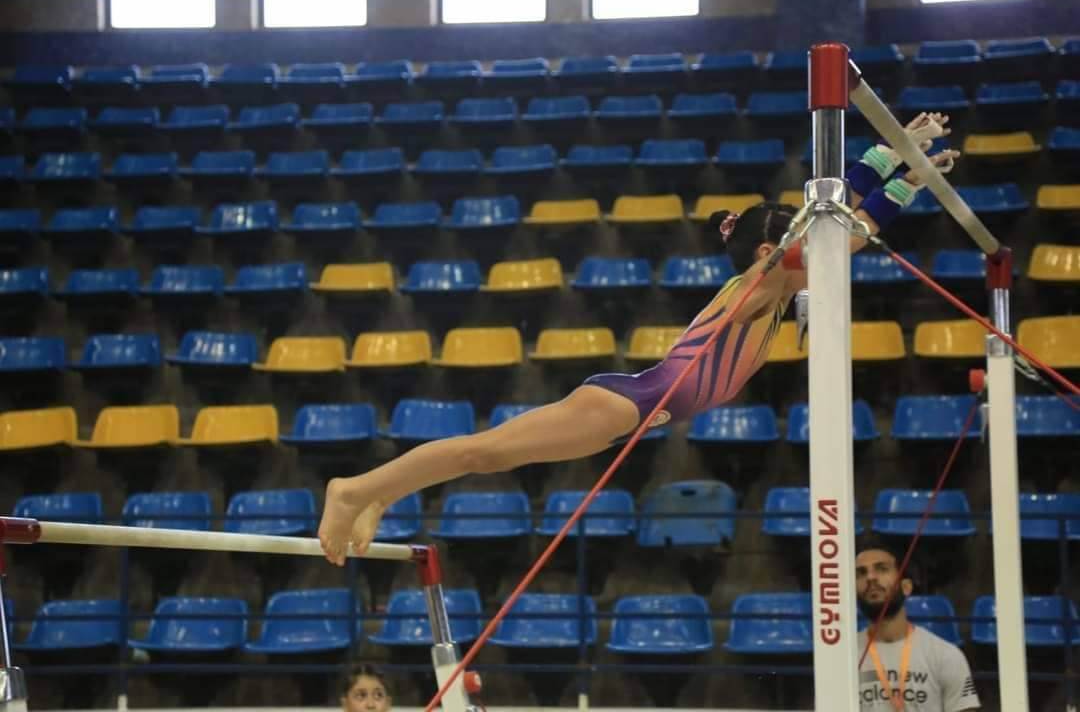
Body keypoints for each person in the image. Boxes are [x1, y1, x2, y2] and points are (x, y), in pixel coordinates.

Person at [318, 113, 961, 566]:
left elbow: (843, 228)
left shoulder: (785, 284)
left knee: (487, 457)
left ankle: (378, 494)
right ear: (769, 249)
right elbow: (837, 229)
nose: (820, 243)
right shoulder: (761, 282)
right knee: (480, 454)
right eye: (801, 237)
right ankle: (352, 488)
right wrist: (896, 164)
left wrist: (906, 168)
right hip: (626, 402)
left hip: (634, 413)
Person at [856, 537, 980, 711]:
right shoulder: (842, 657)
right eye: (861, 573)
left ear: (906, 587)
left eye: (882, 569)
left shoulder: (946, 656)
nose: (870, 577)